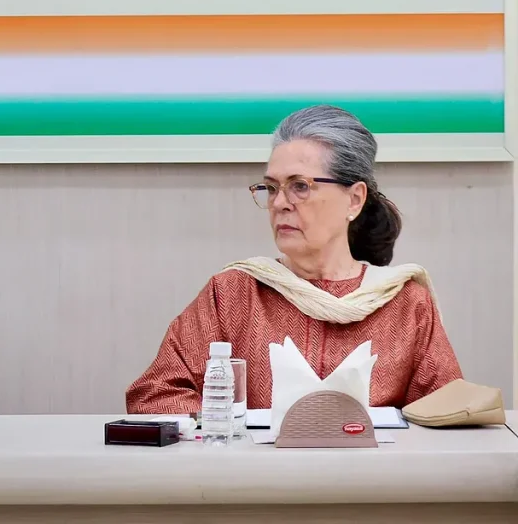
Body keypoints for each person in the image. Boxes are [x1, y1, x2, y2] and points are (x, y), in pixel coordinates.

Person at [126, 105, 463, 414]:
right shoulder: (233, 294)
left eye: (299, 186)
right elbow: (154, 394)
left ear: (354, 199)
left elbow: (448, 412)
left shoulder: (405, 303)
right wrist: (231, 428)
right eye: (272, 188)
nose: (279, 203)